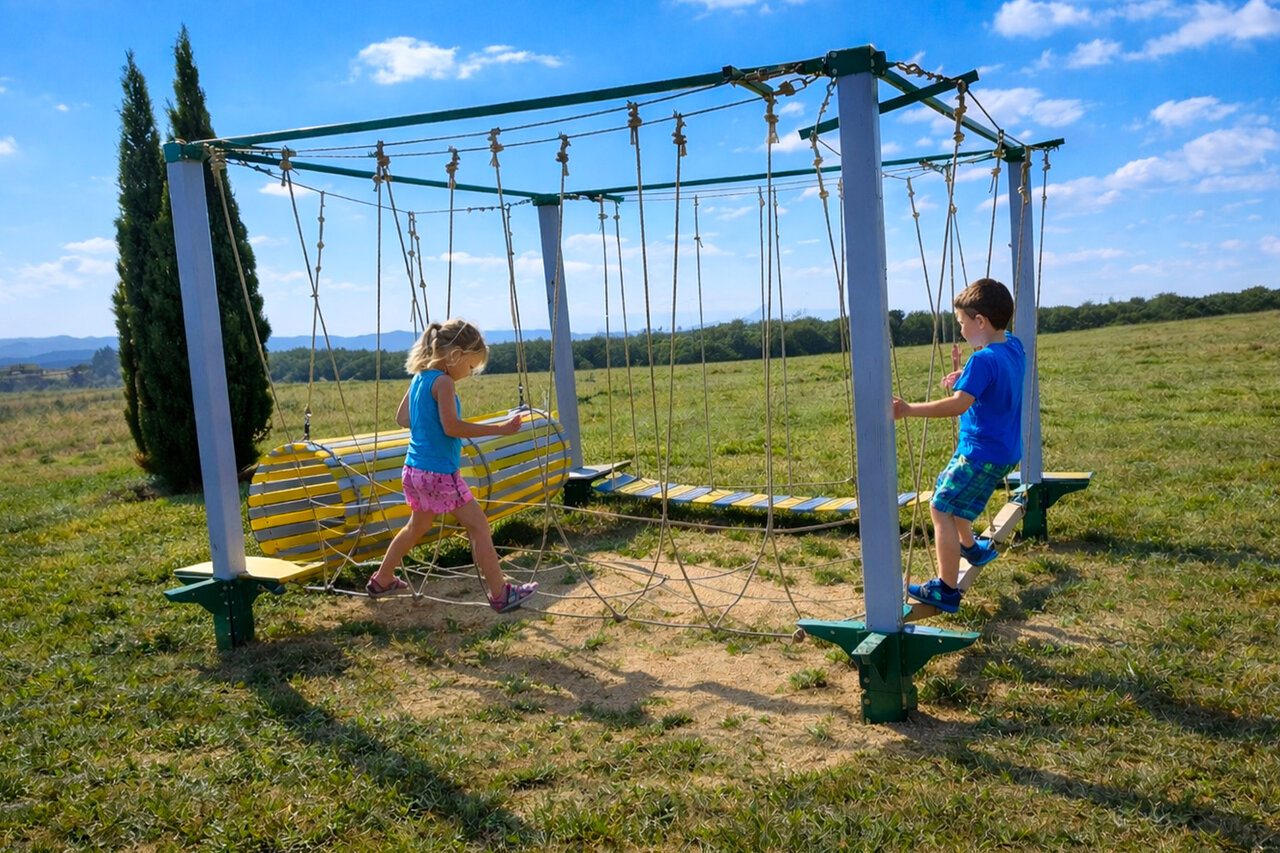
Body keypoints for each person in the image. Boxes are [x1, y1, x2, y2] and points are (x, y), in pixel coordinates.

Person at [365, 318, 538, 613]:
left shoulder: (419, 378)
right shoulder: (443, 382)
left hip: (413, 470)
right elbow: (452, 427)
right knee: (479, 527)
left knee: (416, 526)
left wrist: (427, 426)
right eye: (470, 367)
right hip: (439, 474)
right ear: (455, 355)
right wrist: (500, 429)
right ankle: (501, 594)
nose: (469, 374)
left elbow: (403, 419)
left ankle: (382, 579)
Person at [892, 278, 1025, 613]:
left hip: (980, 452)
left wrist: (908, 410)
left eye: (963, 323)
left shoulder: (982, 361)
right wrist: (965, 375)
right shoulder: (1013, 346)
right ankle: (972, 548)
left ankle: (946, 588)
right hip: (1005, 450)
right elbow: (995, 378)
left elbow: (957, 406)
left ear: (980, 321)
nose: (962, 330)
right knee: (950, 493)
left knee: (941, 507)